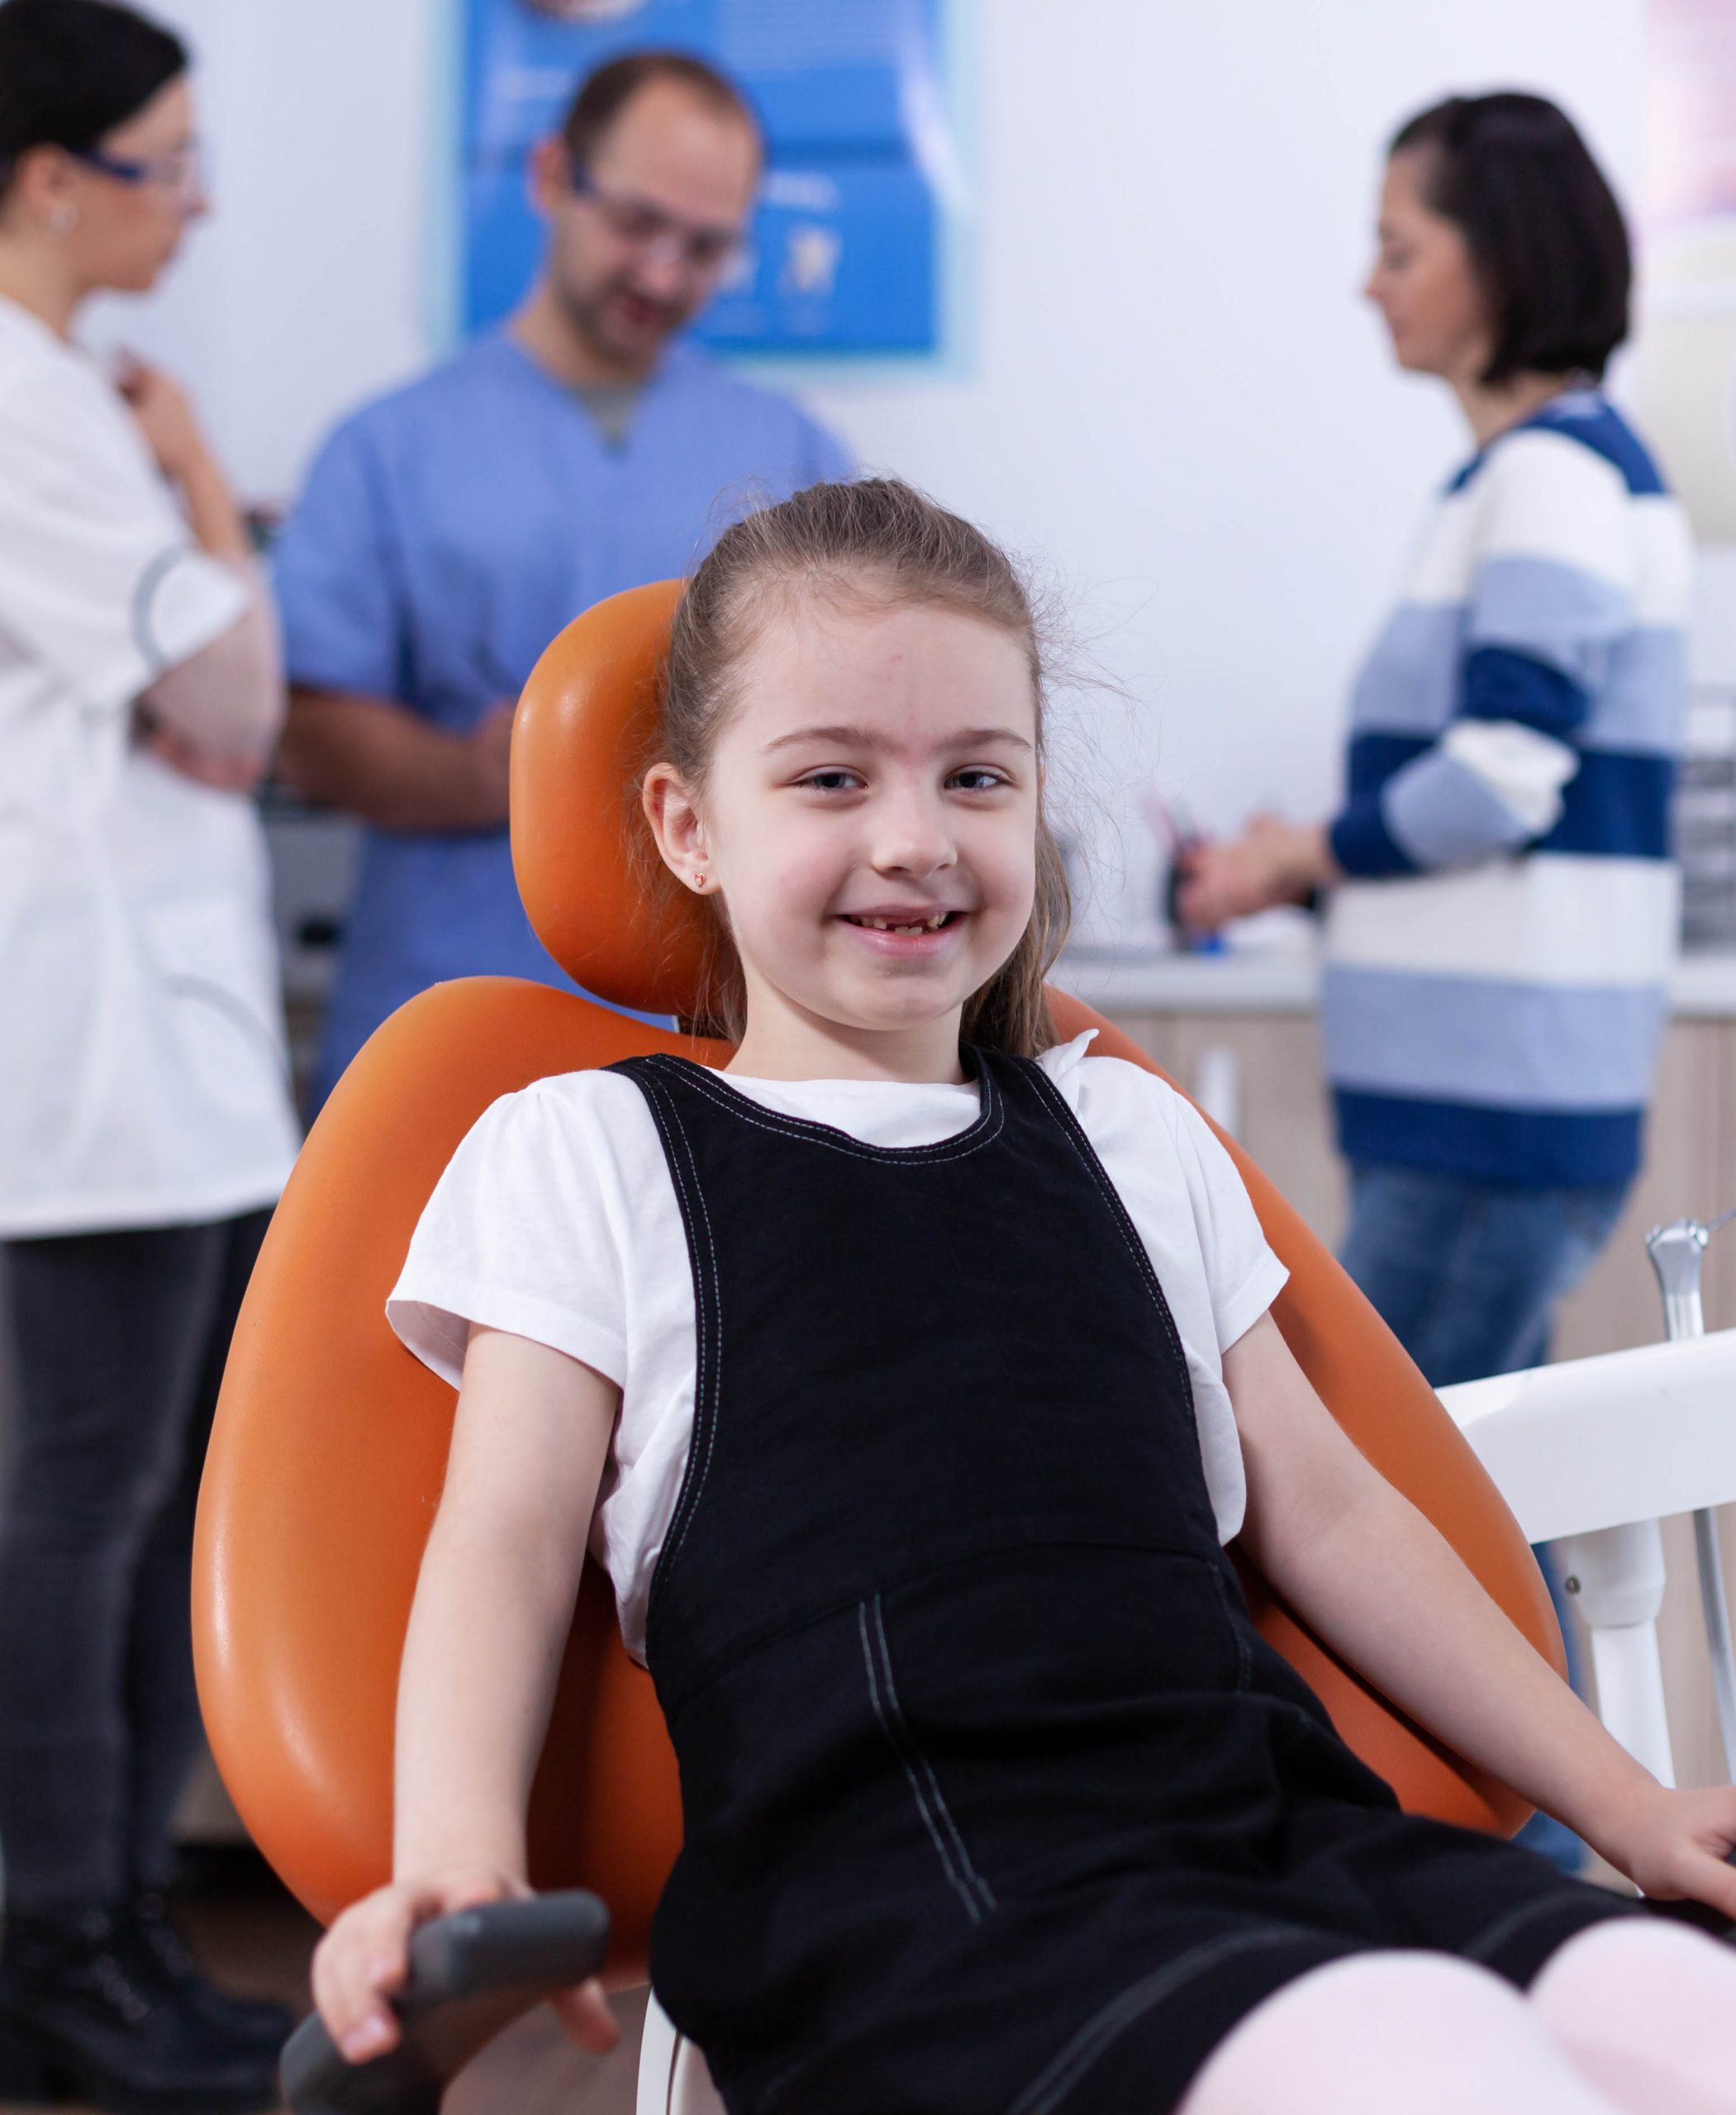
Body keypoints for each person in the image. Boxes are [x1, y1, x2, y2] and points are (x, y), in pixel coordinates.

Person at [312, 478, 1736, 2115]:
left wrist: (1629, 1805)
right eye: (831, 776)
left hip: (1274, 1836)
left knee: (1678, 2009)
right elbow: (497, 1539)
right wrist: (458, 1867)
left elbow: (1332, 1514)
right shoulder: (590, 1150)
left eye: (976, 776)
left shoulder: (1125, 1128)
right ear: (688, 825)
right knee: (1428, 2059)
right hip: (914, 1918)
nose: (914, 835)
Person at [1177, 96, 1690, 1870]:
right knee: (1470, 1514)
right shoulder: (1520, 479)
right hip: (1485, 1105)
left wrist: (1291, 856)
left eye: (1399, 244)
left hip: (1492, 1112)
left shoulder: (1547, 475)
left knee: (1404, 1530)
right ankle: (1549, 1907)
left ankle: (1537, 1909)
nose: (1368, 280)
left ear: (1503, 258)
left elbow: (1505, 775)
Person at [0, 2, 297, 2108]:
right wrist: (204, 478)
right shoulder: (25, 399)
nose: (193, 204)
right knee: (82, 1508)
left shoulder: (68, 391)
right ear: (45, 178)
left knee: (140, 1497)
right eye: (164, 164)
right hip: (83, 1065)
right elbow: (243, 694)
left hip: (156, 1060)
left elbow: (213, 704)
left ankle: (112, 1936)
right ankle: (58, 1948)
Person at [273, 48, 851, 1110]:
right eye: (636, 224)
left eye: (707, 246)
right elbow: (305, 722)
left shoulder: (790, 452)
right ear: (551, 175)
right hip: (445, 1020)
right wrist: (482, 774)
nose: (664, 274)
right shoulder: (387, 448)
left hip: (724, 1048)